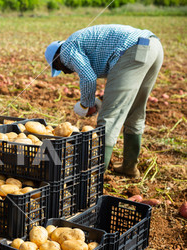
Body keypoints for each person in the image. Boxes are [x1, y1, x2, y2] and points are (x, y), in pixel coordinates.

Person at [45, 24, 164, 178]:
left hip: (133, 49)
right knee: (135, 111)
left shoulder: (67, 49)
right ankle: (129, 167)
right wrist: (99, 101)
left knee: (108, 117)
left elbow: (88, 77)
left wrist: (86, 105)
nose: (65, 72)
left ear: (57, 58)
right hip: (153, 46)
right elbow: (121, 88)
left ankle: (95, 175)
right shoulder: (81, 43)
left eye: (59, 67)